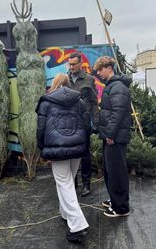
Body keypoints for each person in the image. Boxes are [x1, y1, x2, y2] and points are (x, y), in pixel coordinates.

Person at [36, 73, 90, 242]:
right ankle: (65, 212)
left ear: (54, 84)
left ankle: (78, 225)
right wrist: (85, 146)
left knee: (64, 183)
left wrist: (41, 147)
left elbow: (40, 128)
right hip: (77, 147)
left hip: (56, 149)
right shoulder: (79, 101)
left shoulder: (46, 102)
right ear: (68, 84)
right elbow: (86, 125)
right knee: (69, 181)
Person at [93, 56, 132, 218]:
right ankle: (115, 200)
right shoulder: (112, 86)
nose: (99, 73)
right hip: (111, 136)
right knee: (110, 170)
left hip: (115, 138)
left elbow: (118, 113)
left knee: (117, 171)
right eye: (98, 71)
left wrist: (110, 134)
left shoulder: (118, 87)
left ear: (110, 68)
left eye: (101, 70)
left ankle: (121, 208)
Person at [67, 52, 99, 196]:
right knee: (70, 154)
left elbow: (93, 102)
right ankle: (73, 183)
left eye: (74, 64)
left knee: (85, 154)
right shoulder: (65, 79)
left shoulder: (89, 79)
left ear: (80, 64)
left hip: (84, 123)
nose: (71, 67)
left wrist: (95, 122)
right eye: (70, 64)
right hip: (68, 124)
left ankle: (86, 184)